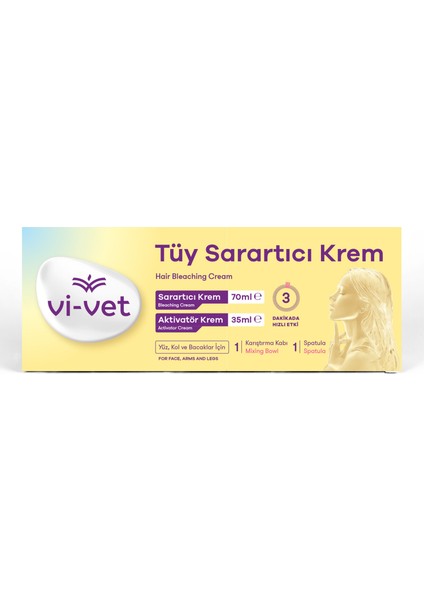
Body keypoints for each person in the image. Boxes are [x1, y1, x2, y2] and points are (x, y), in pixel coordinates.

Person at [324, 268, 398, 371]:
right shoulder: (355, 351)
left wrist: (332, 366)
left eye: (342, 292)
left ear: (364, 305)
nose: (332, 297)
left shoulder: (359, 357)